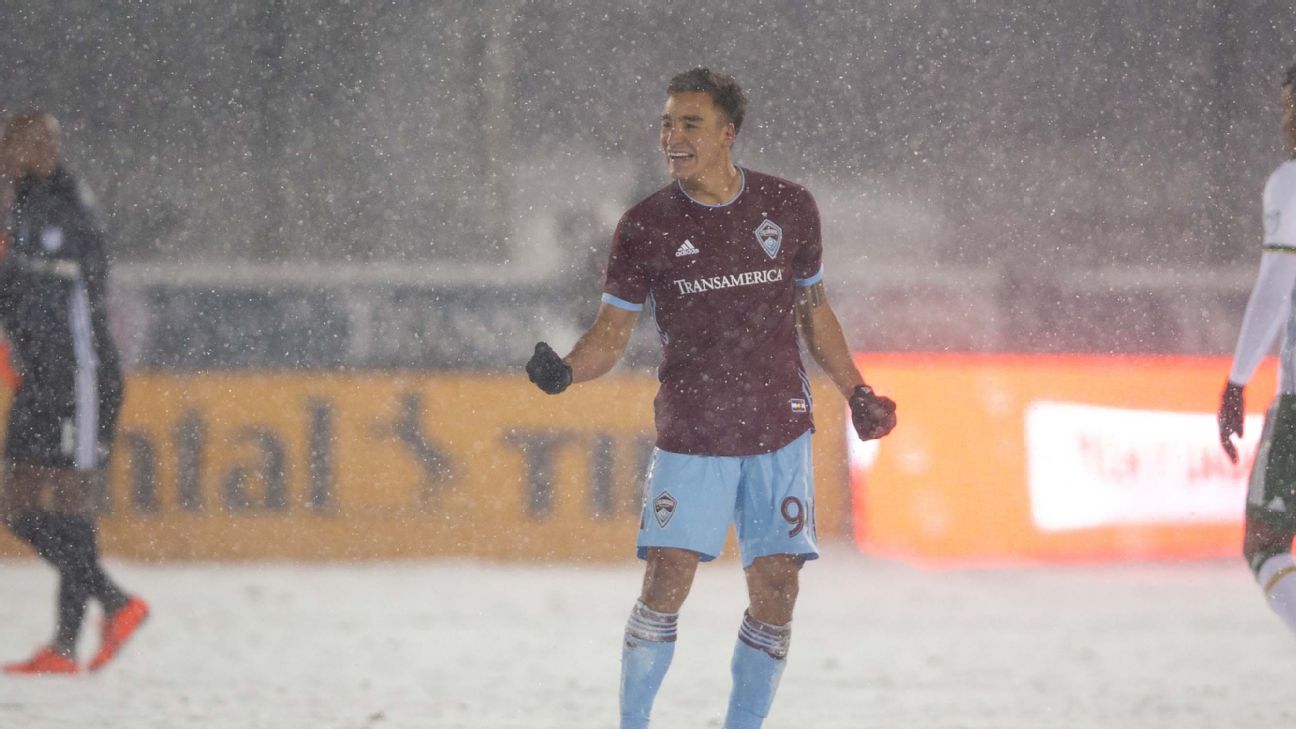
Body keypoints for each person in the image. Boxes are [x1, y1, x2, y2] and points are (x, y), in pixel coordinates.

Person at [526, 68, 897, 729]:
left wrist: (857, 390)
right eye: (667, 123)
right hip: (694, 429)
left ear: (728, 133)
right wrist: (567, 370)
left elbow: (815, 311)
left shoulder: (789, 207)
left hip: (778, 427)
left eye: (689, 124)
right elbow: (612, 332)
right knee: (667, 580)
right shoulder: (644, 226)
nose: (672, 136)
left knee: (779, 588)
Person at [0, 111, 148, 675]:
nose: (10, 156)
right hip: (43, 379)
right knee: (19, 505)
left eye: (21, 145)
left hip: (80, 380)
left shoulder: (64, 205)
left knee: (67, 505)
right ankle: (83, 629)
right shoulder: (27, 205)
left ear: (44, 149)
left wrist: (10, 277)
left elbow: (55, 286)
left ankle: (98, 618)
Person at [1219, 63, 1296, 637]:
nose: (1286, 117)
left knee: (1267, 542)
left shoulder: (1290, 181)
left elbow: (1277, 281)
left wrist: (1238, 380)